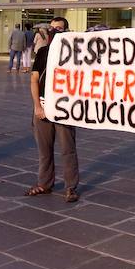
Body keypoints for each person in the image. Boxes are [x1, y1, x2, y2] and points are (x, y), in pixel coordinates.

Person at [27, 15, 80, 202]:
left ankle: (71, 187)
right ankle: (44, 183)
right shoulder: (43, 52)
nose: (55, 31)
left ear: (66, 31)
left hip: (65, 109)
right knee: (44, 150)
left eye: (60, 28)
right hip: (43, 108)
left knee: (68, 149)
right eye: (52, 29)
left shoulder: (75, 54)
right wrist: (37, 106)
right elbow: (34, 79)